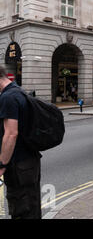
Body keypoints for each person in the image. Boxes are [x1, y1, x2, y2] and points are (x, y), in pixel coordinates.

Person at [0, 66, 42, 219]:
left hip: (19, 167)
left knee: (21, 210)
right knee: (32, 207)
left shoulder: (7, 98)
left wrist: (2, 165)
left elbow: (11, 134)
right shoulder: (19, 91)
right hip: (30, 162)